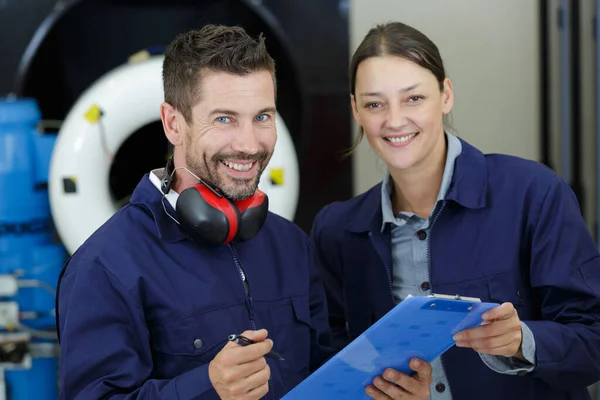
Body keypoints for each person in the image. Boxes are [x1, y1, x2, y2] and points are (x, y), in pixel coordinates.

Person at [311, 21, 600, 400]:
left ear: (445, 94)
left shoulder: (534, 193)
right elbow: (332, 367)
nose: (395, 120)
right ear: (356, 110)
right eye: (374, 103)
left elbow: (593, 338)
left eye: (413, 98)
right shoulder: (337, 231)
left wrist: (522, 341)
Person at [55, 24, 340, 400]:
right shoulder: (105, 265)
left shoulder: (291, 245)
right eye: (224, 119)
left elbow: (327, 380)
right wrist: (208, 387)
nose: (249, 143)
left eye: (262, 117)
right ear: (174, 123)